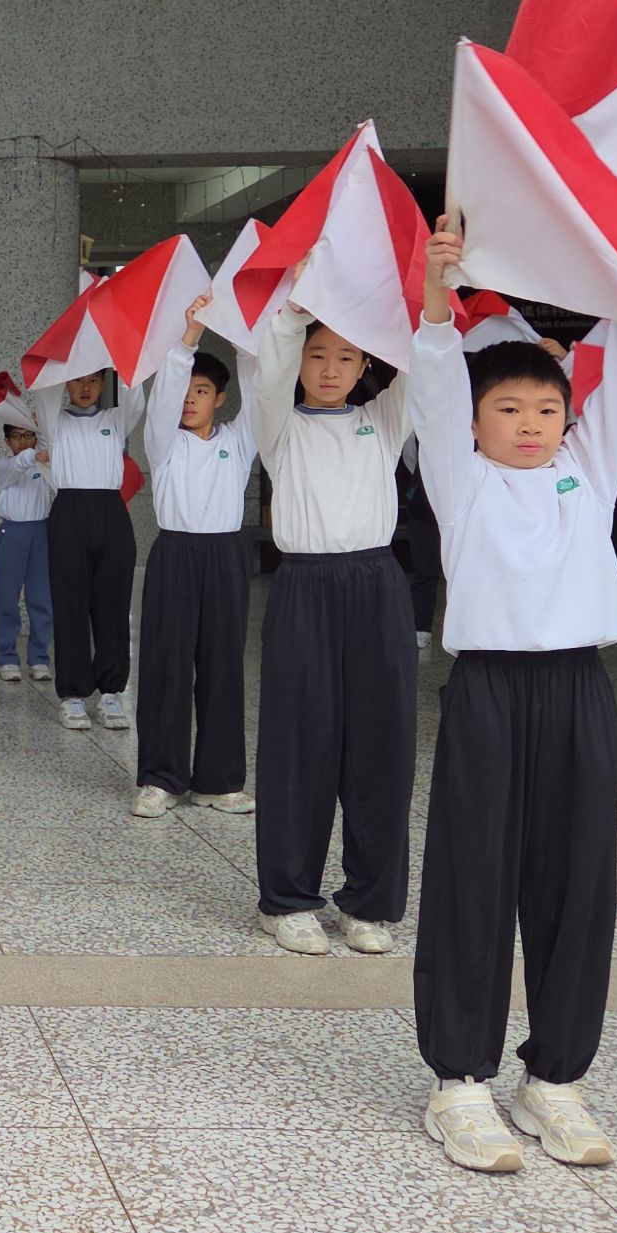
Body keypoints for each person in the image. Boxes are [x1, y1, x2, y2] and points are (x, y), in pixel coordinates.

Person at [408, 215, 617, 1174]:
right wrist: (439, 291)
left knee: (576, 885)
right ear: (477, 423)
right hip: (489, 692)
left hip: (578, 691)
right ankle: (460, 1081)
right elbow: (435, 377)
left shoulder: (588, 472)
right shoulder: (461, 478)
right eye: (508, 409)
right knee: (474, 876)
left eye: (547, 409)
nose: (529, 424)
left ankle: (553, 1078)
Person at [245, 298, 414, 957]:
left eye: (346, 357)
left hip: (377, 587)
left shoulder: (382, 421)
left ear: (366, 363)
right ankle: (286, 901)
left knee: (380, 747)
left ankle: (368, 903)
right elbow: (268, 374)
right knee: (300, 744)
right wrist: (293, 308)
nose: (330, 368)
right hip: (304, 589)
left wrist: (418, 299)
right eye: (317, 355)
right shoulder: (279, 426)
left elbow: (425, 369)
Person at [134, 294, 260, 818]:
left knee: (223, 666)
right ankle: (160, 777)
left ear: (220, 399)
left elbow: (262, 392)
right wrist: (188, 338)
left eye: (201, 392)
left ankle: (218, 780)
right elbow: (164, 397)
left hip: (226, 557)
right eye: (185, 391)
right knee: (166, 665)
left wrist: (245, 342)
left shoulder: (240, 440)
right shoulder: (163, 443)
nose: (189, 400)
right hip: (176, 556)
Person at [39, 368, 143, 728]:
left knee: (113, 604)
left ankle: (111, 693)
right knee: (70, 605)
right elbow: (45, 390)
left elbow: (134, 395)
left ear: (103, 383)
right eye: (77, 380)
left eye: (94, 380)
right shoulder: (53, 423)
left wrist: (123, 357)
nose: (85, 388)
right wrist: (62, 362)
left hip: (111, 511)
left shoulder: (115, 419)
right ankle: (72, 695)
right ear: (66, 382)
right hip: (69, 512)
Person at [0, 421, 55, 683]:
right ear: (7, 441)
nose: (23, 441)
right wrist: (33, 454)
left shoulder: (44, 464)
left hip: (41, 532)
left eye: (29, 435)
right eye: (16, 436)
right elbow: (20, 464)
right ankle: (7, 658)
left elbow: (51, 449)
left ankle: (39, 658)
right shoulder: (3, 465)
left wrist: (43, 425)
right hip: (13, 532)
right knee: (7, 596)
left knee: (41, 598)